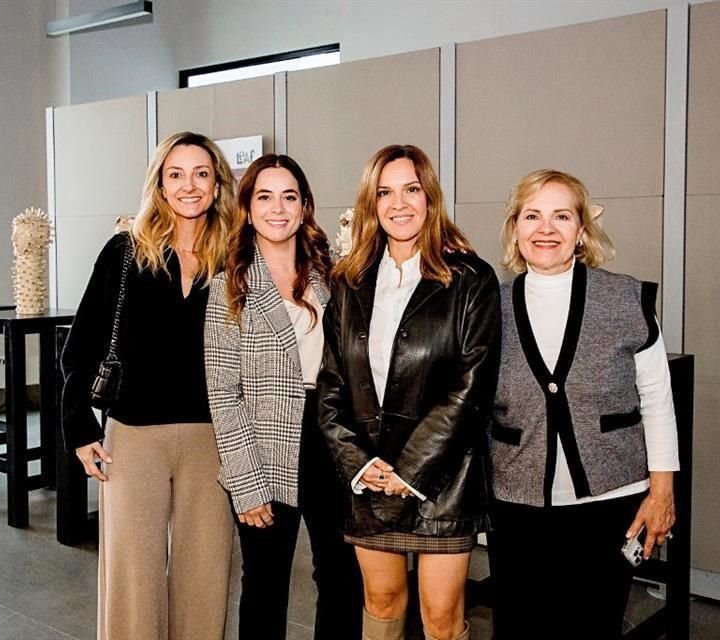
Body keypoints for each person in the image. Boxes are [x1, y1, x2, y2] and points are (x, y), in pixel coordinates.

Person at [318, 144, 501, 640]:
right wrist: (358, 463)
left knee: (441, 618)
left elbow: (472, 388)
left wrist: (412, 471)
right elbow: (331, 386)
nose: (399, 204)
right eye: (385, 192)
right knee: (380, 603)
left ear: (430, 197)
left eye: (411, 189)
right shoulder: (348, 283)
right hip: (370, 477)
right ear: (370, 204)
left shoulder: (470, 279)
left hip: (442, 481)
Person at [487, 169, 679, 639]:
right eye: (532, 215)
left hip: (610, 502)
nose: (545, 229)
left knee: (594, 626)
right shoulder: (488, 305)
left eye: (561, 216)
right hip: (517, 503)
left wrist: (662, 492)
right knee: (520, 627)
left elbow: (656, 397)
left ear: (581, 231)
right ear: (515, 228)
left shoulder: (626, 297)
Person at [60, 131, 236, 640]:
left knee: (205, 578)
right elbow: (80, 348)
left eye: (201, 174)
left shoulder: (235, 258)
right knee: (132, 579)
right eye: (175, 174)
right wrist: (78, 427)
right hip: (134, 437)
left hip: (213, 439)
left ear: (217, 184)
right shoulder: (124, 253)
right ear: (159, 184)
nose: (189, 186)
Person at [203, 154, 362, 640]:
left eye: (289, 196)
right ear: (247, 209)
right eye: (264, 197)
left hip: (330, 440)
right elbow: (223, 393)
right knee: (265, 583)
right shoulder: (227, 287)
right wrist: (245, 483)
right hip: (263, 447)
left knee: (341, 577)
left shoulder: (331, 280)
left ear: (305, 207)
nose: (278, 208)